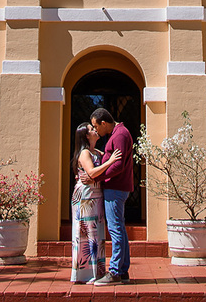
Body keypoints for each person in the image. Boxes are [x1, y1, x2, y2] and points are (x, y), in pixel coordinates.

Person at [70, 123, 123, 284]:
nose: (95, 130)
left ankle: (97, 272)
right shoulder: (85, 153)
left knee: (96, 234)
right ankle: (85, 274)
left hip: (96, 196)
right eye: (92, 129)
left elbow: (100, 162)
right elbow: (92, 172)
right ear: (86, 136)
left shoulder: (96, 152)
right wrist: (110, 162)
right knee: (86, 234)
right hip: (86, 198)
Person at [90, 107, 133, 285]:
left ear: (104, 123)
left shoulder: (120, 135)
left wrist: (96, 177)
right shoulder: (116, 134)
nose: (96, 130)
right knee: (119, 228)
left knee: (115, 229)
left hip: (116, 188)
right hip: (116, 188)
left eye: (96, 126)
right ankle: (122, 271)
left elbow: (118, 165)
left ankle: (115, 272)